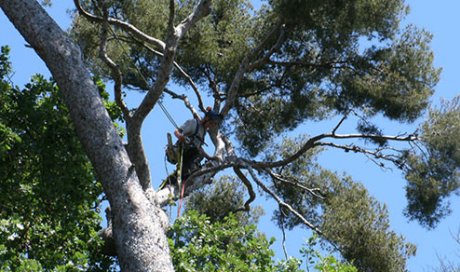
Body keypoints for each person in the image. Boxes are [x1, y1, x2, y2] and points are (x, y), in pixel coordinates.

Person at [159, 108, 221, 190]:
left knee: (198, 156)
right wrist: (181, 137)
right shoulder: (194, 123)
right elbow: (177, 132)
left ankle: (171, 182)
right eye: (211, 123)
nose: (211, 126)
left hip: (187, 158)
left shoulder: (203, 133)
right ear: (206, 118)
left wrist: (210, 157)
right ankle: (186, 173)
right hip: (179, 151)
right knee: (196, 153)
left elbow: (200, 149)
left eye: (213, 124)